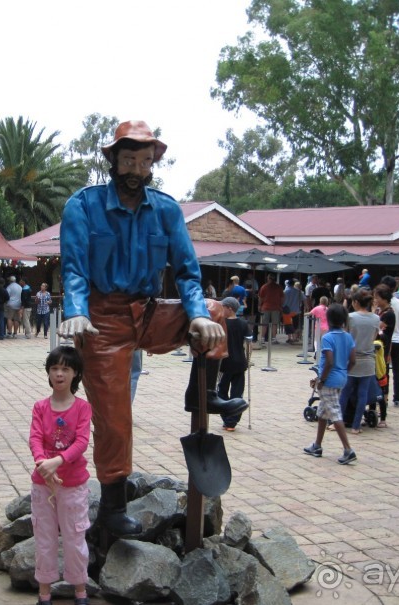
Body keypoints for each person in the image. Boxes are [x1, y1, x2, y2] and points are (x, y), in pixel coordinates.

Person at [59, 119, 246, 537]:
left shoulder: (165, 209)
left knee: (217, 312)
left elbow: (188, 272)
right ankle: (111, 511)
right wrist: (76, 309)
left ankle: (204, 394)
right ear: (113, 161)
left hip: (147, 313)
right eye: (129, 160)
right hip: (102, 321)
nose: (137, 170)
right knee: (114, 419)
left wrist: (197, 314)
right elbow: (73, 266)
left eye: (145, 162)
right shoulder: (83, 205)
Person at [29, 346, 91, 605]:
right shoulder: (40, 407)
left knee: (75, 538)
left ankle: (80, 591)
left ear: (75, 373)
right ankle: (44, 593)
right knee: (44, 539)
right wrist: (43, 464)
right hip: (43, 485)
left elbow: (81, 442)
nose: (59, 374)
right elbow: (35, 438)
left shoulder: (83, 408)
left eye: (65, 368)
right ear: (48, 372)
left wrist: (57, 461)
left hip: (73, 484)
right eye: (54, 368)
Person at [303, 303, 357, 465]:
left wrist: (322, 380)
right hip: (342, 378)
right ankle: (317, 445)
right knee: (322, 412)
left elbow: (329, 362)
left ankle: (348, 449)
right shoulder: (348, 337)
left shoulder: (327, 337)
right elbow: (353, 360)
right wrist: (344, 372)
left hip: (329, 379)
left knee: (334, 413)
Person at [341, 288, 381, 434]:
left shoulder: (350, 317)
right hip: (368, 359)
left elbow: (345, 336)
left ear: (356, 302)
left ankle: (337, 422)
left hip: (352, 359)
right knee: (362, 394)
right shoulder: (375, 318)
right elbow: (374, 337)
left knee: (345, 392)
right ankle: (356, 426)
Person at [216, 297, 252, 431]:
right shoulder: (243, 324)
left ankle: (227, 418)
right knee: (237, 393)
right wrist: (248, 360)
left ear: (229, 308)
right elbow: (249, 345)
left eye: (223, 307)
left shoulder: (221, 324)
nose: (221, 310)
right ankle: (232, 421)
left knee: (221, 392)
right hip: (240, 363)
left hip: (224, 364)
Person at [380, 276, 399, 407]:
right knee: (397, 370)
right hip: (397, 339)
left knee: (384, 370)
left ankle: (384, 396)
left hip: (385, 340)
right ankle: (397, 397)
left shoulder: (382, 305)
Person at [373, 284, 395, 427]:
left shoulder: (388, 314)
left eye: (377, 297)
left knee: (382, 381)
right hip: (378, 351)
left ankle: (383, 414)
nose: (375, 300)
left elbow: (376, 328)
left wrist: (372, 313)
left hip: (381, 351)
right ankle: (374, 411)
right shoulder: (382, 312)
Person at [258, 273, 283, 345]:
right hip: (276, 307)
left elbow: (261, 297)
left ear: (268, 278)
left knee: (264, 324)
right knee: (274, 324)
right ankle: (274, 338)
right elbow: (282, 297)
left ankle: (262, 338)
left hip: (266, 307)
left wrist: (259, 305)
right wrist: (280, 305)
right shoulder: (279, 287)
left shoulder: (264, 287)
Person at [282, 279, 305, 344]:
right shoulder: (299, 292)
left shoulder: (285, 291)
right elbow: (304, 299)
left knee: (288, 325)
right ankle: (294, 338)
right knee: (295, 325)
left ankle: (289, 338)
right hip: (296, 311)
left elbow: (282, 300)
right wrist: (306, 307)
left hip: (286, 311)